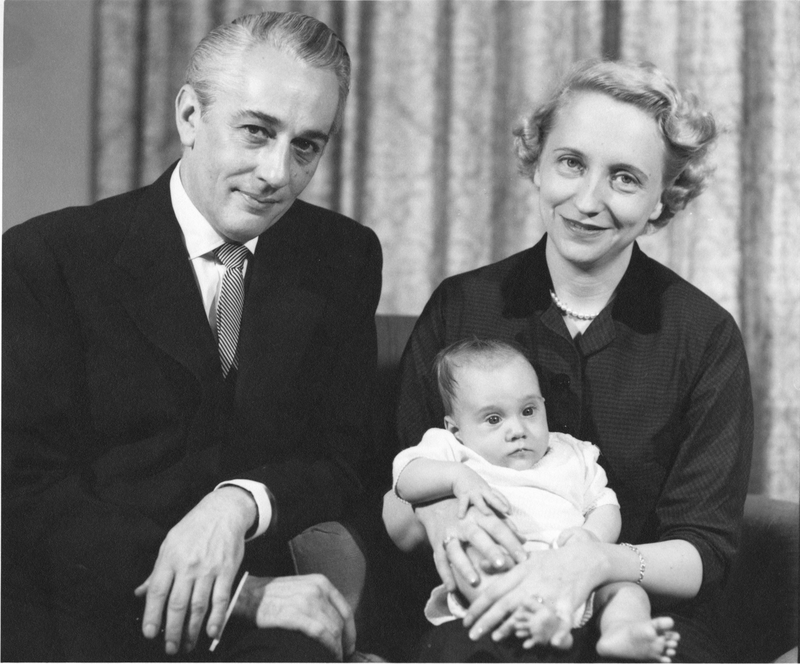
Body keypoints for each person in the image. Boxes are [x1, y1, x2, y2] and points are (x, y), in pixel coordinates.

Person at [2, 11, 381, 662]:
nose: (276, 173)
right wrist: (242, 593)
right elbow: (24, 495)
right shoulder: (48, 259)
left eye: (306, 146)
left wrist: (239, 503)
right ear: (189, 117)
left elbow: (347, 461)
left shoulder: (341, 257)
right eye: (257, 132)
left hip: (266, 632)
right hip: (86, 610)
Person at [383, 59, 752, 663]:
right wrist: (447, 517)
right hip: (489, 602)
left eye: (625, 178)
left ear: (664, 198)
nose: (588, 200)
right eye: (572, 163)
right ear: (538, 164)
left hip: (641, 613)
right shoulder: (462, 305)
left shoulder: (703, 335)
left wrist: (594, 562)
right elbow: (394, 496)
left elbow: (703, 553)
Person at [391, 338, 679, 663]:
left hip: (578, 578)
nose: (517, 429)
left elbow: (604, 504)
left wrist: (593, 538)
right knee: (475, 559)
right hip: (503, 572)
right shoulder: (454, 450)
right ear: (455, 427)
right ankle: (524, 618)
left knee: (627, 591)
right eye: (493, 419)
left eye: (528, 411)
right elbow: (405, 475)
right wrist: (457, 477)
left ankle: (621, 632)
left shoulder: (571, 453)